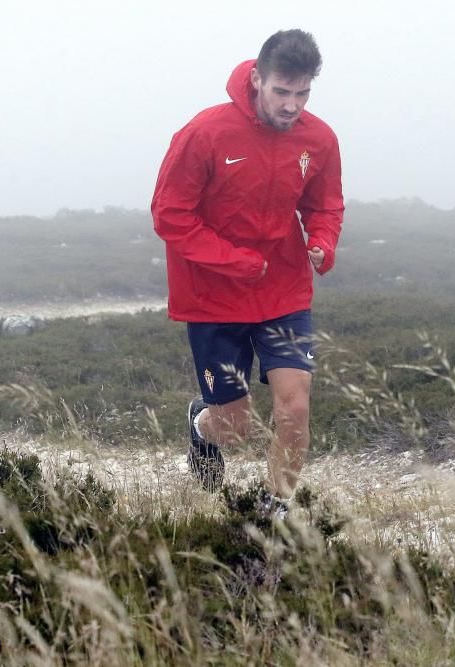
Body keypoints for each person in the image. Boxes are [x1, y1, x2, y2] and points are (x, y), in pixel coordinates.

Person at [151, 30, 344, 507]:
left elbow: (325, 206)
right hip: (215, 299)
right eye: (282, 91)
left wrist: (322, 242)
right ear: (257, 78)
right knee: (232, 427)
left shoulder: (318, 139)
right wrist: (235, 261)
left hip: (284, 294)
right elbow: (170, 214)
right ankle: (202, 424)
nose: (291, 105)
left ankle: (277, 511)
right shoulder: (205, 133)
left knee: (294, 406)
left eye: (302, 93)